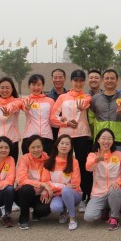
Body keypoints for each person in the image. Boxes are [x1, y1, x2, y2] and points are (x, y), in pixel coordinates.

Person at [50, 69, 93, 208]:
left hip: (82, 135)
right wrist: (66, 123)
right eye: (76, 81)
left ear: (84, 82)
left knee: (82, 165)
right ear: (71, 81)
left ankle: (84, 196)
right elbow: (53, 117)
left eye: (81, 81)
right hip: (65, 136)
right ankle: (61, 193)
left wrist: (82, 104)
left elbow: (86, 102)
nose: (78, 84)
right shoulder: (63, 97)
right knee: (63, 164)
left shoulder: (87, 97)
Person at [84, 128, 121, 230]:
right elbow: (88, 168)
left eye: (109, 139)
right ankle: (106, 209)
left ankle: (114, 218)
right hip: (99, 193)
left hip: (117, 192)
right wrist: (97, 160)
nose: (106, 141)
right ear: (98, 140)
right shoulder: (92, 155)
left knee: (113, 190)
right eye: (103, 138)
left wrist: (118, 183)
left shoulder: (119, 155)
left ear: (113, 141)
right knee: (89, 217)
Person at [4, 74, 54, 155]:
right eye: (33, 85)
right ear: (29, 86)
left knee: (46, 162)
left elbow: (54, 117)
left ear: (43, 86)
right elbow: (15, 105)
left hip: (47, 137)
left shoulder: (50, 101)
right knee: (28, 161)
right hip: (29, 137)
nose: (36, 88)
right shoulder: (25, 100)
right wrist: (9, 109)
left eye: (39, 85)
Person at [44, 134, 82, 230]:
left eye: (67, 144)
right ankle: (63, 211)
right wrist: (63, 186)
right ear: (57, 145)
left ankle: (72, 218)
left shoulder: (74, 162)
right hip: (57, 195)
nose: (64, 146)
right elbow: (46, 182)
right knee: (55, 208)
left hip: (74, 194)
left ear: (70, 147)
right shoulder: (49, 161)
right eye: (62, 143)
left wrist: (61, 188)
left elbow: (75, 184)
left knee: (66, 191)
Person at [15, 134, 52, 230]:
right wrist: (41, 184)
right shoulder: (24, 159)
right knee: (27, 188)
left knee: (45, 210)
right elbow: (21, 179)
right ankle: (23, 218)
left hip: (39, 195)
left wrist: (45, 189)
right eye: (33, 147)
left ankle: (36, 213)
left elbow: (49, 179)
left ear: (43, 147)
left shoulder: (47, 160)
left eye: (38, 147)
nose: (36, 150)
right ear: (28, 148)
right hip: (23, 194)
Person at [88, 69, 121, 153]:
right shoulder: (95, 98)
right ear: (102, 80)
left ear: (117, 80)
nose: (109, 81)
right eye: (107, 78)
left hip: (118, 140)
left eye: (112, 78)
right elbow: (91, 117)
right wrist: (97, 128)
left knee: (119, 161)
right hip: (100, 140)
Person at [47, 68, 68, 141]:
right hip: (51, 131)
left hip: (67, 129)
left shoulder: (70, 96)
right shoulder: (47, 97)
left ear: (65, 78)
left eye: (60, 77)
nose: (58, 80)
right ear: (52, 79)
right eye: (55, 78)